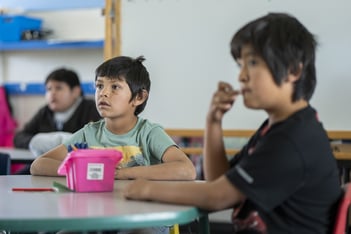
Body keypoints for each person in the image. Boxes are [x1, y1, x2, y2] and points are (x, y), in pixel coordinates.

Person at [123, 13, 342, 233]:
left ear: (294, 70)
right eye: (241, 65)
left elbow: (217, 197)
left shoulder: (293, 139)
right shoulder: (277, 128)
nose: (242, 77)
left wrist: (147, 189)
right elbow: (219, 180)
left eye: (253, 63)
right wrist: (214, 122)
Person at [31, 55, 196, 234]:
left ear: (139, 97)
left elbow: (187, 170)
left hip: (144, 217)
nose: (104, 93)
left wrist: (123, 173)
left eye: (115, 87)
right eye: (99, 86)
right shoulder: (89, 133)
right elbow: (39, 165)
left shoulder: (149, 132)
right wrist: (85, 170)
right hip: (95, 215)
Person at [13, 68, 101, 174]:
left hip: (80, 170)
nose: (52, 93)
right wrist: (39, 141)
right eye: (49, 89)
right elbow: (19, 137)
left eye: (58, 88)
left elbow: (97, 141)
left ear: (75, 91)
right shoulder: (45, 112)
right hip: (46, 166)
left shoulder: (91, 109)